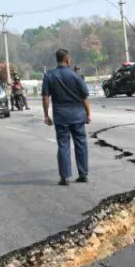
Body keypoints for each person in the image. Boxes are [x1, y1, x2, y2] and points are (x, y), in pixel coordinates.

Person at [42, 49, 92, 185]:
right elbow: (84, 97)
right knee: (81, 144)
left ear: (57, 59)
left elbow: (45, 97)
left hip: (61, 116)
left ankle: (64, 177)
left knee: (63, 145)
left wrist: (46, 115)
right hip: (78, 116)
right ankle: (83, 174)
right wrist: (88, 114)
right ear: (67, 60)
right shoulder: (75, 76)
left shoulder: (49, 75)